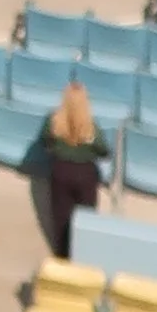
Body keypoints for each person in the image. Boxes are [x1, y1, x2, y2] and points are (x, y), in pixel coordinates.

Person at [43, 78, 108, 258]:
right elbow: (104, 151)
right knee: (85, 217)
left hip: (60, 171)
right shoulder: (92, 128)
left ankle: (62, 254)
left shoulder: (54, 123)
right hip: (85, 173)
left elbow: (46, 142)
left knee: (61, 215)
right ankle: (82, 253)